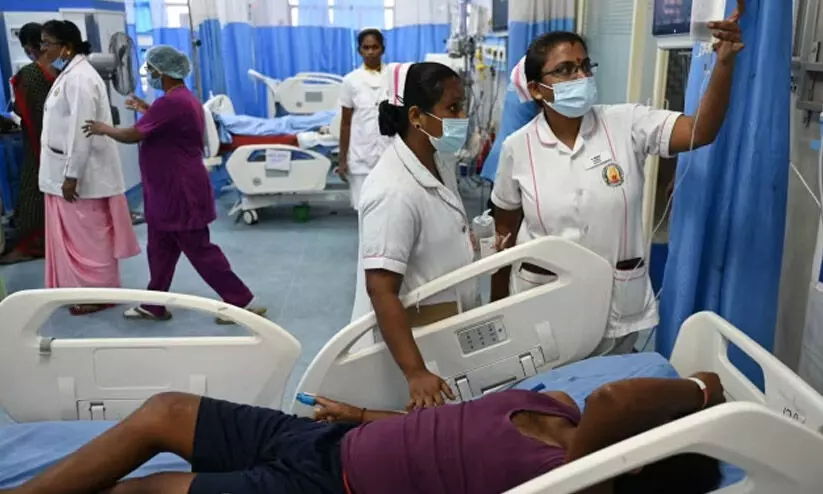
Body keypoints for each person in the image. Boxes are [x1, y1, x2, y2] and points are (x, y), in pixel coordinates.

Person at [0, 371, 726, 494]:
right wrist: (361, 415)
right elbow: (443, 428)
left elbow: (618, 396)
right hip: (326, 442)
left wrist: (700, 392)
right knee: (164, 409)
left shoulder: (578, 481)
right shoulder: (560, 407)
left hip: (329, 486)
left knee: (147, 491)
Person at [491, 13, 744, 355]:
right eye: (565, 70)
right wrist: (497, 311)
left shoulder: (625, 122)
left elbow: (699, 131)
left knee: (614, 381)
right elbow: (504, 234)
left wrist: (724, 64)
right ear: (537, 89)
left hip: (617, 306)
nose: (581, 76)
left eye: (584, 66)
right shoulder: (517, 148)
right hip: (544, 306)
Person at [83, 45, 266, 324]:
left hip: (179, 191)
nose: (149, 74)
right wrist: (146, 109)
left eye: (151, 69)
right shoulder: (181, 99)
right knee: (160, 250)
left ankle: (239, 300)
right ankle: (153, 305)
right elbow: (169, 126)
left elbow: (133, 135)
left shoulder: (170, 103)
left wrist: (103, 128)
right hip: (166, 190)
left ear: (162, 71)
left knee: (200, 249)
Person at [358, 62, 477, 408]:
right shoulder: (392, 190)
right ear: (416, 116)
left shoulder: (438, 161)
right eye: (452, 108)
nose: (462, 117)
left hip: (444, 328)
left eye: (462, 106)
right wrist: (415, 372)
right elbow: (380, 290)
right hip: (412, 350)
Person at [38, 20, 140, 315]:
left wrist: (72, 176)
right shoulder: (70, 74)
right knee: (80, 240)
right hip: (64, 172)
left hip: (82, 178)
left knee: (90, 242)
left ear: (66, 47)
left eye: (48, 43)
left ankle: (97, 293)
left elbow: (80, 133)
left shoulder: (80, 80)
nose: (43, 49)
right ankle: (79, 290)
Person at [338, 28, 394, 327]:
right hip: (360, 155)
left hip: (389, 153)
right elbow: (346, 122)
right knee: (364, 212)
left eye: (375, 47)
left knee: (389, 208)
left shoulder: (393, 76)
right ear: (359, 50)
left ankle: (388, 259)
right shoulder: (351, 81)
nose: (371, 51)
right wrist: (342, 158)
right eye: (366, 47)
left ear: (383, 48)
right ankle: (368, 265)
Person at [0, 23, 56, 265]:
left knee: (31, 191)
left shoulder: (28, 74)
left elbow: (24, 111)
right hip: (58, 143)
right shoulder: (59, 71)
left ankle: (32, 245)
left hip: (37, 143)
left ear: (27, 47)